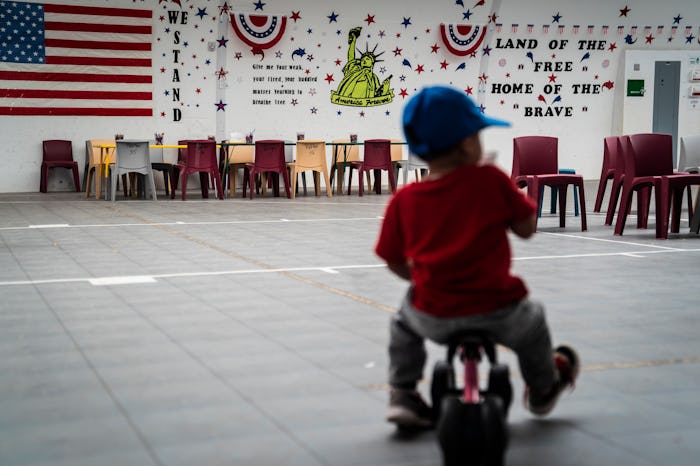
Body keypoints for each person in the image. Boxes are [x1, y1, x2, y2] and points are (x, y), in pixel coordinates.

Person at [374, 85, 579, 428]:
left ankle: (403, 393)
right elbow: (527, 228)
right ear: (468, 143)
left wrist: (421, 279)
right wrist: (507, 193)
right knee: (535, 321)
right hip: (499, 310)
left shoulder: (404, 199)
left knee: (401, 324)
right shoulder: (490, 180)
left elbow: (392, 260)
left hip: (434, 313)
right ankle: (543, 388)